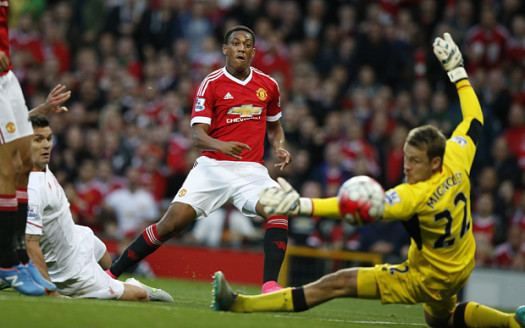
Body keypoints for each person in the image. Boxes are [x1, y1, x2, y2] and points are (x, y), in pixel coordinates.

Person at [211, 33, 525, 328]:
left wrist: (300, 205)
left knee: (337, 282)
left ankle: (238, 304)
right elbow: (473, 119)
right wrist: (458, 72)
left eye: (415, 161)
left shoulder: (413, 196)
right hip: (461, 262)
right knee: (438, 321)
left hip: (426, 276)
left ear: (433, 162)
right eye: (405, 157)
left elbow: (352, 206)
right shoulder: (457, 156)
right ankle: (514, 322)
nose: (407, 167)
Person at [107, 25, 292, 294]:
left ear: (253, 51)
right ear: (225, 49)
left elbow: (275, 125)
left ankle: (270, 286)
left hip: (251, 170)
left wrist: (280, 146)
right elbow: (197, 136)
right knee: (169, 225)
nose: (242, 47)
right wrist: (222, 145)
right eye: (236, 43)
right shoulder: (211, 83)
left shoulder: (269, 85)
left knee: (279, 208)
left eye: (247, 44)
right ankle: (111, 273)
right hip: (213, 167)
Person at [24, 115, 172, 302]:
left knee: (105, 259)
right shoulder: (33, 188)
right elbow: (30, 243)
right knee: (140, 296)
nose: (46, 145)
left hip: (76, 236)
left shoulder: (37, 166)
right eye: (38, 140)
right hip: (71, 273)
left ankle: (109, 280)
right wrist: (50, 291)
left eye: (49, 138)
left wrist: (43, 110)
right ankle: (132, 285)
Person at [0, 0, 72, 296]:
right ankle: (5, 261)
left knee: (24, 164)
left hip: (7, 72)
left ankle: (19, 260)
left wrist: (41, 108)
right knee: (7, 165)